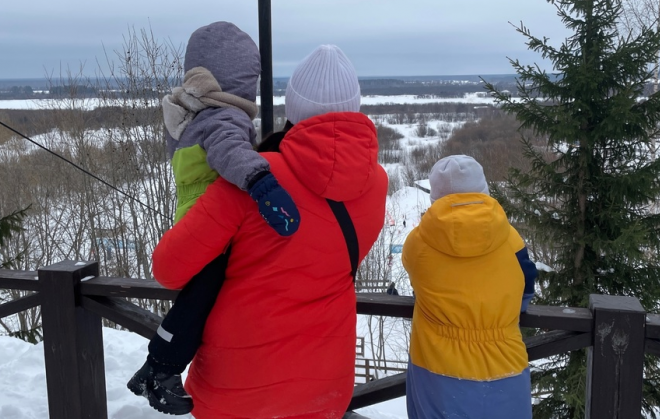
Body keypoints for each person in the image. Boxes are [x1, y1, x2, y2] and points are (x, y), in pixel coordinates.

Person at [151, 44, 388, 419]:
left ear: (292, 107)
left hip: (236, 390)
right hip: (324, 387)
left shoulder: (253, 180)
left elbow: (168, 268)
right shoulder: (375, 184)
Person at [127, 21, 301, 415]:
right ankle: (161, 369)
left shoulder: (191, 113)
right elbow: (230, 154)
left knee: (195, 299)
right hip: (211, 225)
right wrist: (263, 186)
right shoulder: (223, 119)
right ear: (240, 81)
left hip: (193, 220)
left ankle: (153, 367)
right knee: (201, 301)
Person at [402, 155, 538, 419]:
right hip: (505, 366)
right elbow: (526, 286)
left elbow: (417, 278)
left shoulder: (418, 242)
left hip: (437, 368)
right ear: (483, 190)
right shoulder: (511, 239)